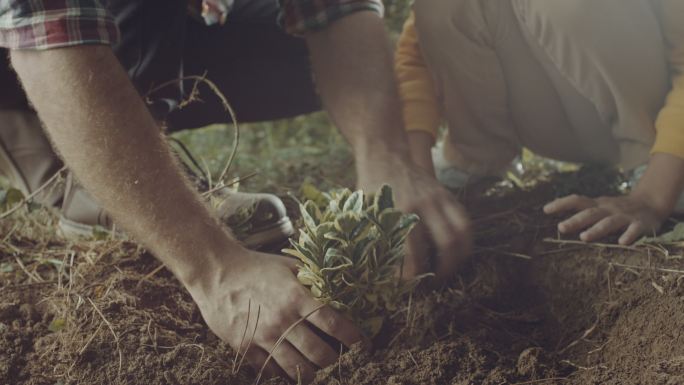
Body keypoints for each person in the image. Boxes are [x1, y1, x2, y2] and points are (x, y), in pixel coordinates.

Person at [0, 0, 470, 381]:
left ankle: (129, 127)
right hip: (27, 42)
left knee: (295, 52)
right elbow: (46, 29)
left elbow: (335, 9)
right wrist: (216, 269)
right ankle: (65, 170)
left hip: (146, 24)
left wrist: (386, 158)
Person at [396, 0, 684, 246]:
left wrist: (652, 196)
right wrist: (416, 178)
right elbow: (420, 47)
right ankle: (477, 158)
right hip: (556, 118)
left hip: (651, 116)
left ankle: (664, 168)